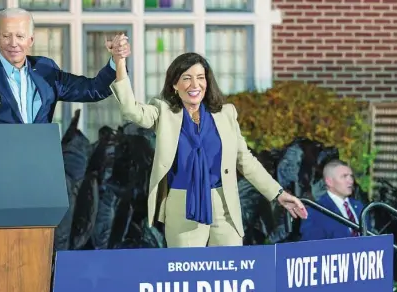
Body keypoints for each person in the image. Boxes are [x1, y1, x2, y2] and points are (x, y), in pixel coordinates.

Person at [109, 44, 307, 248]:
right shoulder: (163, 112)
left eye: (200, 77)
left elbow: (245, 160)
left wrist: (278, 194)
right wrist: (120, 62)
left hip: (224, 204)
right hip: (183, 205)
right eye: (186, 78)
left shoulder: (226, 113)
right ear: (174, 85)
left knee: (230, 271)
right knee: (188, 272)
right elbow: (131, 111)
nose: (195, 84)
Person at [0, 8, 126, 124]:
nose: (13, 43)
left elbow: (93, 89)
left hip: (41, 164)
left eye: (20, 36)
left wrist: (116, 61)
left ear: (31, 40)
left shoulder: (46, 70)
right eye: (6, 36)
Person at [300, 159, 364, 241]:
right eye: (344, 176)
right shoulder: (315, 212)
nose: (350, 181)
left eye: (351, 176)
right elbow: (311, 248)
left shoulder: (359, 206)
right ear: (329, 182)